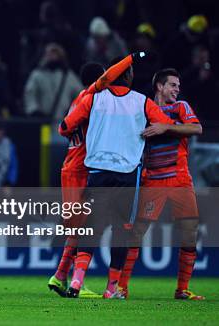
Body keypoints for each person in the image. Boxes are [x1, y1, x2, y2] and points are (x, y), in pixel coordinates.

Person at [59, 57, 194, 299]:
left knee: (91, 228)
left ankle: (76, 282)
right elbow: (165, 125)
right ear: (129, 76)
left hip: (97, 172)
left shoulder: (92, 98)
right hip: (127, 174)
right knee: (122, 230)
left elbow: (65, 126)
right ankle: (112, 289)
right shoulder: (142, 102)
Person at [48, 54, 141, 298]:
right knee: (85, 228)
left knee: (79, 228)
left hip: (71, 166)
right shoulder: (91, 97)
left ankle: (60, 276)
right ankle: (64, 278)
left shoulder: (81, 99)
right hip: (81, 168)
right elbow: (65, 128)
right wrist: (133, 57)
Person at [117, 68, 204, 300]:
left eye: (178, 85)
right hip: (152, 179)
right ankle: (121, 288)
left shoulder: (180, 107)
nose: (177, 89)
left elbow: (197, 128)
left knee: (189, 232)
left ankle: (182, 289)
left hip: (180, 179)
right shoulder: (144, 109)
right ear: (159, 86)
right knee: (137, 233)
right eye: (173, 85)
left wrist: (166, 127)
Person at [24, 43, 83, 119]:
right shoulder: (38, 75)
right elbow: (30, 93)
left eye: (55, 53)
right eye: (50, 53)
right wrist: (34, 111)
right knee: (45, 131)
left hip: (63, 121)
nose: (52, 56)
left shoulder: (68, 76)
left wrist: (72, 110)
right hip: (44, 121)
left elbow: (80, 94)